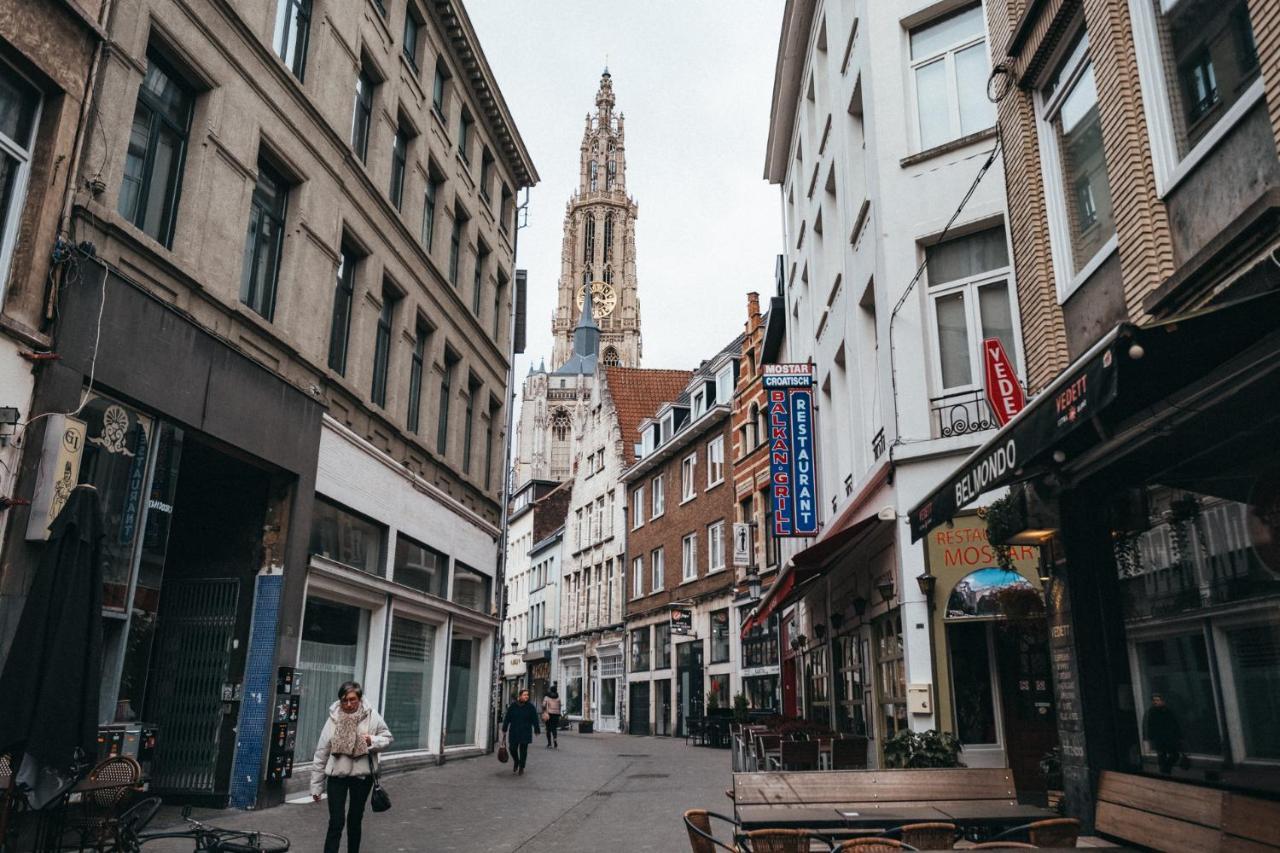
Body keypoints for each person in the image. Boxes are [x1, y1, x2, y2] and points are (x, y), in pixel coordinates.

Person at [311, 681, 392, 853]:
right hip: (337, 777)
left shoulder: (372, 716)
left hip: (362, 778)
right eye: (344, 700)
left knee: (355, 820)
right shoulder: (333, 719)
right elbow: (321, 753)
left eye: (352, 700)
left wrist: (372, 740)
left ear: (360, 699)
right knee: (336, 821)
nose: (348, 704)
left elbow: (388, 738)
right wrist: (316, 786)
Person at [501, 688, 540, 775]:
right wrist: (504, 728)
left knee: (523, 750)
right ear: (520, 696)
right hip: (514, 731)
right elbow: (507, 718)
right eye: (525, 695)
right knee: (512, 748)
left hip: (525, 731)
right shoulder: (513, 706)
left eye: (527, 695)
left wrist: (537, 729)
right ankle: (516, 761)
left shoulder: (530, 707)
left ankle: (521, 767)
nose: (527, 696)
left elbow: (535, 719)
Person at [1143, 692, 1182, 775]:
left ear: (1162, 701)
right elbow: (1148, 726)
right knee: (1162, 755)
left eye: (1158, 700)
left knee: (1174, 755)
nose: (1156, 702)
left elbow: (1174, 724)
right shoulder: (1151, 712)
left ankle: (1165, 769)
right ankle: (1164, 771)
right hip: (1159, 738)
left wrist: (1178, 736)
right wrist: (1148, 738)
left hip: (1168, 737)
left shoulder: (1167, 711)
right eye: (1154, 700)